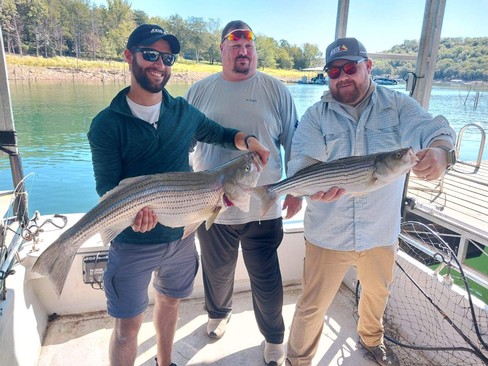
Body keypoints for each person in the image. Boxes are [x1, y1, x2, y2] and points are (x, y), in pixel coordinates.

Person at [87, 23, 270, 366]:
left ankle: (164, 362)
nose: (159, 64)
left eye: (167, 57)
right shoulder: (106, 124)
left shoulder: (182, 113)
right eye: (150, 55)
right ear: (129, 56)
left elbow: (220, 133)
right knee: (128, 328)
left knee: (170, 303)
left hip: (182, 237)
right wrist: (131, 218)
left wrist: (248, 142)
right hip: (132, 242)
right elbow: (107, 189)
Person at [285, 37, 456, 366]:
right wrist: (305, 188)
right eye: (334, 71)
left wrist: (439, 151)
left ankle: (370, 341)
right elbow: (300, 160)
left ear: (368, 66)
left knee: (377, 296)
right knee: (312, 305)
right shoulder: (315, 116)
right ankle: (297, 360)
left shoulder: (398, 106)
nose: (342, 76)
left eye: (350, 67)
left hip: (380, 232)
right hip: (326, 233)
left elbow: (431, 127)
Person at [185, 20, 302, 366]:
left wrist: (296, 189)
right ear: (221, 50)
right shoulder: (199, 91)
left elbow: (294, 143)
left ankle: (274, 337)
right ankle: (219, 314)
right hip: (212, 205)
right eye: (235, 46)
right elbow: (184, 143)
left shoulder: (276, 90)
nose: (243, 51)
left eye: (249, 46)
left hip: (263, 207)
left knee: (266, 278)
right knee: (216, 272)